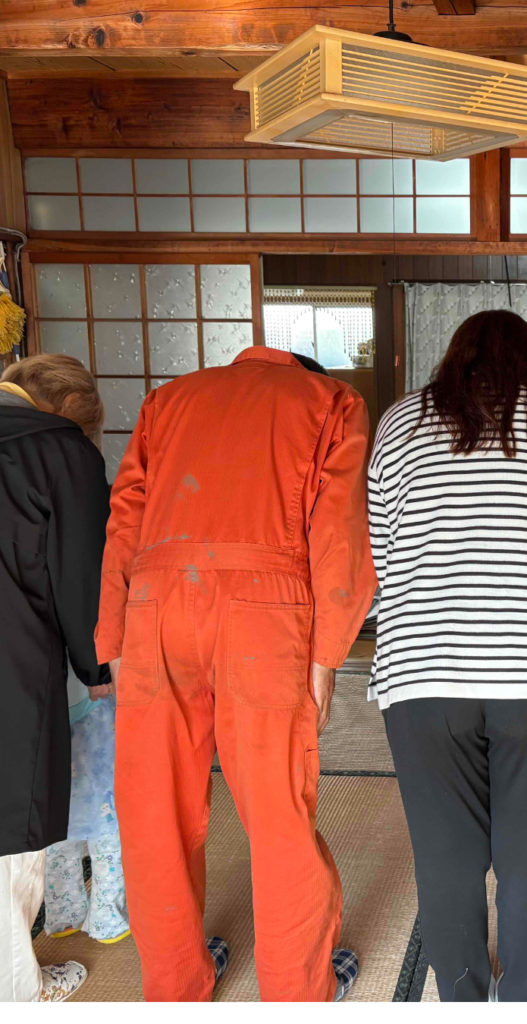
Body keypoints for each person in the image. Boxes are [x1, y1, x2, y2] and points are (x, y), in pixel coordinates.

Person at [96, 345, 377, 1002]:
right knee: (279, 811)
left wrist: (115, 636)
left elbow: (125, 518)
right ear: (303, 372)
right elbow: (338, 531)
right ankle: (295, 992)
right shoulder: (331, 401)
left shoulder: (166, 402)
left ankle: (176, 987)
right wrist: (327, 657)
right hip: (265, 612)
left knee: (153, 810)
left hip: (156, 606)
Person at [368, 310, 527, 1002]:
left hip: (422, 669)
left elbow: (385, 550)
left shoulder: (399, 422)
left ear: (454, 354)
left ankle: (463, 999)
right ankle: (526, 999)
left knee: (444, 856)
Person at [0, 354, 110, 1002]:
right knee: (11, 829)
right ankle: (19, 993)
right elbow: (81, 578)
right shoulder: (61, 452)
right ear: (70, 409)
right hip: (11, 664)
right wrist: (97, 668)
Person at [43, 662, 129, 946]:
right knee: (107, 817)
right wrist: (100, 674)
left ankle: (64, 914)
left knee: (56, 822)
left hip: (38, 708)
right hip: (90, 698)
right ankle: (109, 918)